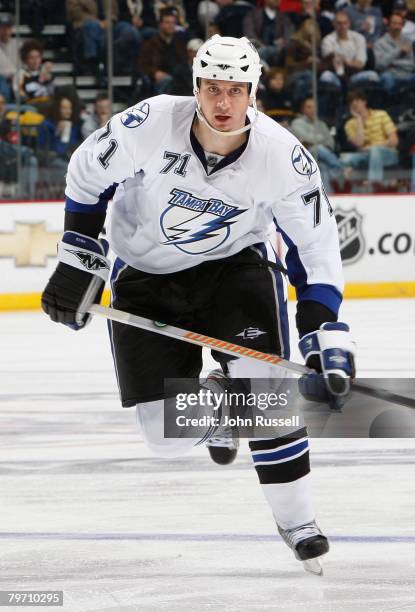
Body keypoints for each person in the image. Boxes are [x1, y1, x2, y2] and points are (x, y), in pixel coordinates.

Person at [41, 35, 355, 573]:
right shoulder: (151, 124)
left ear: (253, 92)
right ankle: (219, 413)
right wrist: (79, 256)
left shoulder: (284, 158)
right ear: (197, 87)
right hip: (144, 273)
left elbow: (316, 246)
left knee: (267, 390)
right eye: (213, 87)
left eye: (236, 89)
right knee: (163, 437)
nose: (223, 101)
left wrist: (322, 329)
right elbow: (86, 175)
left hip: (236, 268)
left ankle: (299, 520)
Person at [342, 89, 399, 188]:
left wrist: (373, 147)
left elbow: (394, 141)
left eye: (357, 100)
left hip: (387, 153)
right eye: (351, 102)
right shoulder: (349, 124)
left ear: (364, 101)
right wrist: (359, 119)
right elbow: (359, 144)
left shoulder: (381, 114)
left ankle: (374, 184)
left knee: (375, 150)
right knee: (345, 159)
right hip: (365, 155)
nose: (354, 103)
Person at [290, 96, 346, 191]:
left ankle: (328, 196)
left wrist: (314, 141)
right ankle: (339, 169)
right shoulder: (297, 123)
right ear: (303, 109)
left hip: (321, 157)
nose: (313, 110)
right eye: (309, 107)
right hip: (304, 156)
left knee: (322, 168)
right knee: (318, 148)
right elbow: (308, 139)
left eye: (314, 107)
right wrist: (320, 139)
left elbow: (331, 143)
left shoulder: (321, 124)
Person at [320, 10, 379, 90]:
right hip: (335, 76)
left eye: (345, 23)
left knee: (372, 75)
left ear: (349, 24)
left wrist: (346, 62)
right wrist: (350, 63)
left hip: (354, 76)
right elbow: (328, 64)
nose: (342, 26)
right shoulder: (327, 40)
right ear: (333, 24)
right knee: (325, 76)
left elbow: (360, 65)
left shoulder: (359, 38)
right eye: (339, 23)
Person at [139, 8, 187, 94]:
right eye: (167, 22)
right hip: (160, 79)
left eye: (173, 23)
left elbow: (184, 62)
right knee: (167, 80)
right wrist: (154, 73)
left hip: (177, 77)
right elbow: (143, 65)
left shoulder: (179, 43)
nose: (171, 25)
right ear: (161, 24)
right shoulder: (151, 44)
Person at [374, 12, 415, 95]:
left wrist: (393, 63)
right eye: (394, 23)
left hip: (407, 75)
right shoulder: (380, 43)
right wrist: (399, 51)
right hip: (390, 75)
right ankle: (391, 105)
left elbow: (412, 64)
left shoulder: (408, 41)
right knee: (386, 77)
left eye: (399, 24)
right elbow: (379, 65)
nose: (397, 27)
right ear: (389, 24)